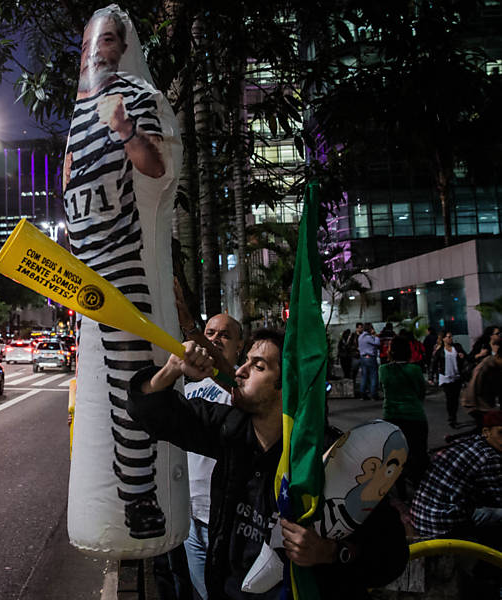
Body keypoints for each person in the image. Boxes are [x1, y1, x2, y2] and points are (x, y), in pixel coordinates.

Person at [127, 330, 409, 599]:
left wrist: (329, 552)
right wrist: (172, 368)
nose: (239, 371)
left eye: (258, 366)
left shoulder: (332, 457)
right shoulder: (230, 429)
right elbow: (152, 413)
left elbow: (391, 557)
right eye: (245, 361)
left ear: (287, 384)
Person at [62, 6, 175, 541]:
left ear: (121, 47)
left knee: (129, 380)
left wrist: (125, 128)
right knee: (101, 384)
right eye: (88, 44)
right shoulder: (76, 112)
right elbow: (67, 184)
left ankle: (138, 499)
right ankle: (134, 496)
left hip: (121, 260)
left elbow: (155, 165)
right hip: (83, 268)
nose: (95, 52)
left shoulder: (132, 94)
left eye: (106, 41)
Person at [175, 308, 245, 600]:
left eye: (225, 335)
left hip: (226, 521)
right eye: (211, 333)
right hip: (190, 518)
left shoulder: (242, 385)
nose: (216, 339)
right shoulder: (189, 386)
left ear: (240, 346)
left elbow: (229, 379)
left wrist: (190, 326)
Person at [411, 410, 502, 598]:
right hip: (441, 526)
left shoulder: (471, 443)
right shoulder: (490, 458)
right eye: (501, 433)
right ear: (486, 432)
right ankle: (487, 571)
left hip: (423, 516)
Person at [379, 336, 429, 497]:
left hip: (391, 416)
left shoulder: (384, 370)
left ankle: (401, 492)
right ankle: (421, 491)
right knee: (418, 454)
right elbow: (421, 391)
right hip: (414, 416)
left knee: (394, 457)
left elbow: (384, 388)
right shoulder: (414, 369)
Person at [430, 330, 468, 429]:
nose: (451, 339)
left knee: (455, 399)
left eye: (451, 336)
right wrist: (431, 377)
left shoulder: (457, 347)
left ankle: (454, 417)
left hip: (457, 377)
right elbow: (433, 364)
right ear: (443, 339)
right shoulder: (440, 350)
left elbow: (466, 357)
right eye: (448, 337)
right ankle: (451, 418)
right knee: (450, 398)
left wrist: (462, 356)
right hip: (446, 378)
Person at [462, 339, 502, 429]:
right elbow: (474, 390)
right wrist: (487, 409)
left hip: (488, 403)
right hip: (476, 405)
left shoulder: (496, 366)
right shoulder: (484, 367)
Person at [358, 324, 381, 401]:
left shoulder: (360, 337)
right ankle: (374, 394)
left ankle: (362, 394)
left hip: (362, 357)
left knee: (364, 376)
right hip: (370, 357)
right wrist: (375, 335)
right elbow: (377, 343)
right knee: (373, 376)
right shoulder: (368, 337)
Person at [348, 323, 364, 396]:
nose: (361, 329)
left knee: (364, 373)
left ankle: (363, 389)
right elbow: (349, 345)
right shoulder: (353, 336)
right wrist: (355, 349)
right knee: (354, 372)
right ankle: (354, 389)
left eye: (361, 328)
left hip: (362, 355)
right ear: (357, 328)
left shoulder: (364, 335)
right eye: (359, 328)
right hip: (355, 356)